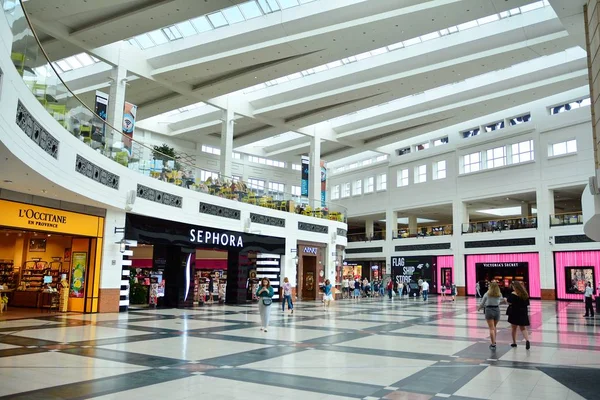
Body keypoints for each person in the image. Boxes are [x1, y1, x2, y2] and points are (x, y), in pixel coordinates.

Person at [477, 281, 507, 350]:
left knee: (491, 328)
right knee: (494, 327)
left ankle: (493, 344)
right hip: (497, 310)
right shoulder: (499, 294)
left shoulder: (487, 294)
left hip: (489, 310)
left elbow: (482, 303)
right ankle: (494, 341)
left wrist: (479, 308)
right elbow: (501, 302)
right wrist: (504, 300)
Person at [507, 281, 531, 349]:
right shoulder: (525, 294)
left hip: (514, 312)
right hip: (523, 312)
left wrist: (506, 300)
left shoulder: (513, 294)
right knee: (523, 328)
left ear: (515, 287)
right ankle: (527, 340)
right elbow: (527, 303)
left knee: (514, 328)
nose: (513, 288)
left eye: (513, 287)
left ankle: (514, 343)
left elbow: (509, 302)